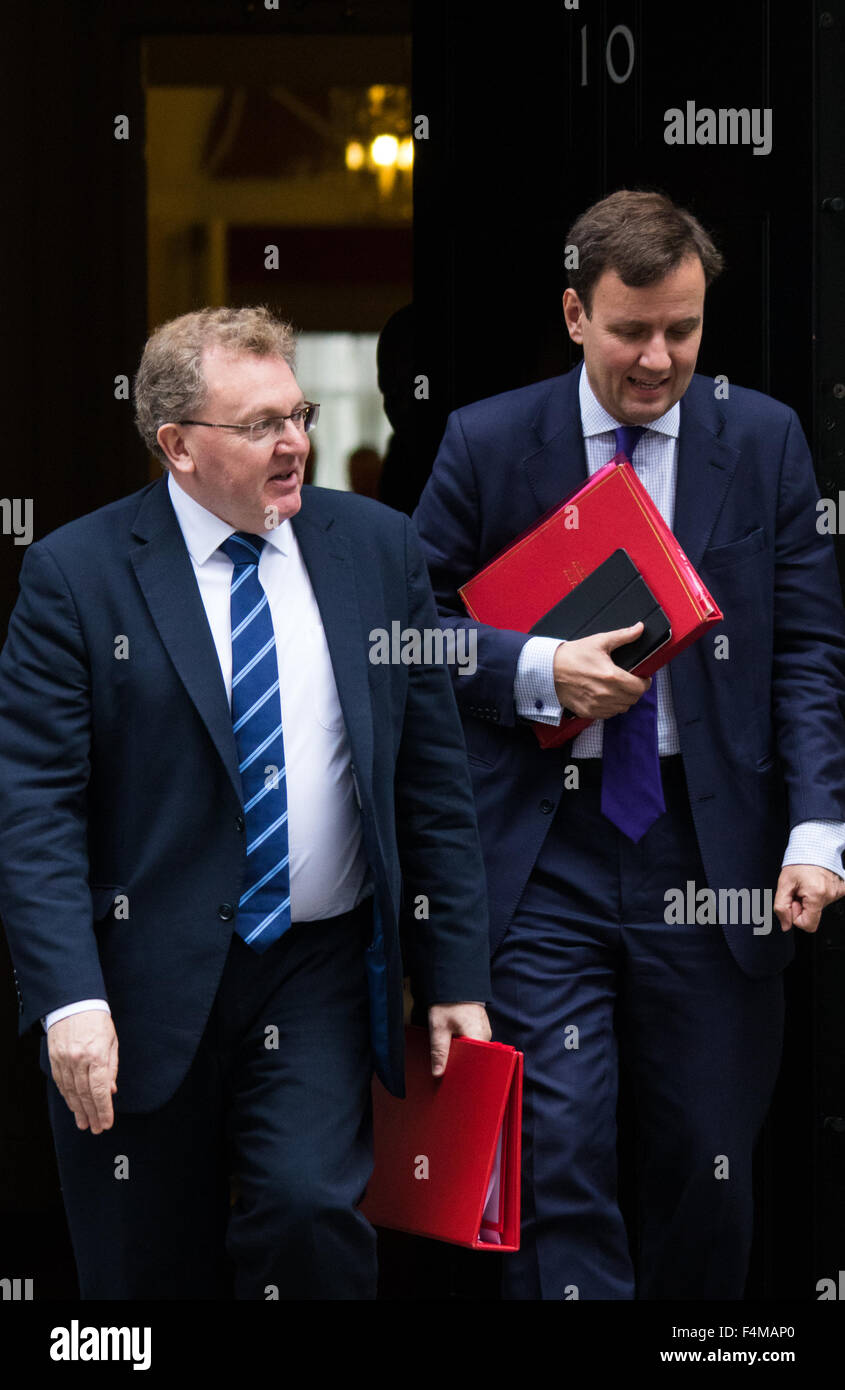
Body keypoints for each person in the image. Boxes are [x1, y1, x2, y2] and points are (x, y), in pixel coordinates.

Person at [0, 305, 492, 1300]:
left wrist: (452, 977)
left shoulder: (377, 550)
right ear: (177, 445)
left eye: (299, 414)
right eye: (260, 423)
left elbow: (432, 779)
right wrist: (69, 999)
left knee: (311, 1216)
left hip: (313, 968)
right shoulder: (75, 577)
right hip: (133, 979)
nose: (295, 444)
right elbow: (36, 809)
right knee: (142, 1272)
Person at [412, 189, 845, 1300]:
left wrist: (815, 827)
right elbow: (407, 633)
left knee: (708, 1163)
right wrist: (529, 667)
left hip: (713, 855)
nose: (658, 358)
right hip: (542, 851)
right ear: (572, 313)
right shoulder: (488, 439)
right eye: (629, 329)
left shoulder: (762, 439)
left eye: (682, 329)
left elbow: (803, 647)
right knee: (553, 1158)